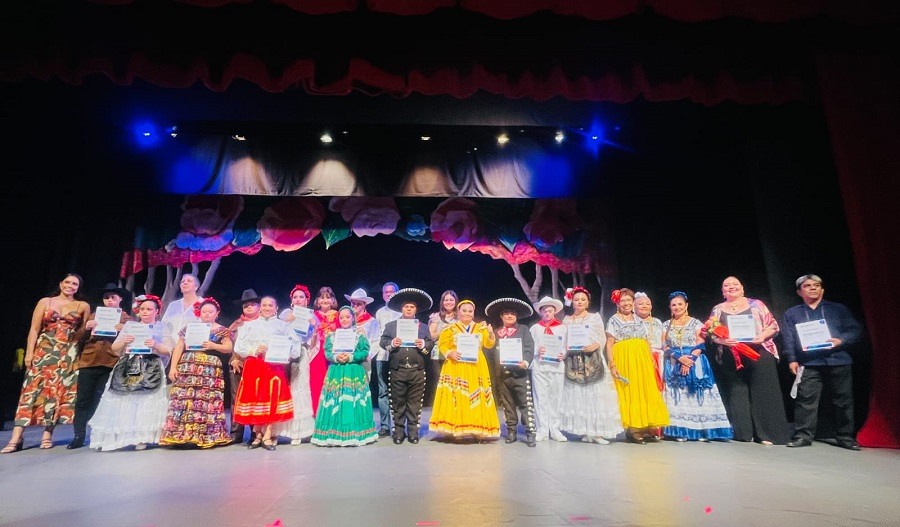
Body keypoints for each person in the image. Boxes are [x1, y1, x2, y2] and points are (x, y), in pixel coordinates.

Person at [3, 273, 90, 453]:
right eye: (67, 282)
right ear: (60, 283)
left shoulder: (82, 305)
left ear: (78, 288)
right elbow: (34, 329)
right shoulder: (46, 302)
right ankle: (16, 436)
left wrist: (88, 327)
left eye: (74, 284)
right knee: (31, 391)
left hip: (68, 353)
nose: (70, 286)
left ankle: (47, 434)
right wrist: (29, 353)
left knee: (57, 392)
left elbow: (82, 334)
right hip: (44, 350)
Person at [781, 274, 864, 450]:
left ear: (822, 289)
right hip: (809, 362)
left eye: (816, 285)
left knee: (843, 400)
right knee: (806, 400)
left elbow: (855, 330)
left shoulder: (838, 309)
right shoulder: (792, 313)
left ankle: (845, 437)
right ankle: (803, 435)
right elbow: (788, 338)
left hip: (838, 360)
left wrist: (841, 340)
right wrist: (792, 359)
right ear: (799, 292)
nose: (812, 288)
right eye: (807, 285)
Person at [705, 276, 790, 445]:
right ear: (722, 292)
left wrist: (762, 336)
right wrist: (722, 341)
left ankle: (767, 435)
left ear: (742, 288)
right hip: (731, 355)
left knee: (764, 391)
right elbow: (709, 333)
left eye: (735, 284)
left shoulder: (756, 305)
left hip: (758, 352)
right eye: (726, 285)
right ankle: (743, 433)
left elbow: (773, 325)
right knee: (737, 392)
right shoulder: (718, 309)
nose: (731, 287)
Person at [89, 294, 173, 451]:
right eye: (142, 309)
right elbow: (115, 348)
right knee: (125, 399)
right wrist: (124, 341)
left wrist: (156, 344)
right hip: (130, 364)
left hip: (151, 365)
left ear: (157, 311)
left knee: (145, 401)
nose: (145, 312)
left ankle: (141, 437)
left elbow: (168, 350)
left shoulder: (161, 327)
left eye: (149, 309)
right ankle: (120, 436)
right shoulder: (130, 326)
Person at [160, 296, 233, 448]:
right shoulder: (189, 328)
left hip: (209, 370)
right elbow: (179, 347)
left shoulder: (222, 330)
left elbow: (228, 348)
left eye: (210, 311)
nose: (206, 314)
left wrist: (213, 345)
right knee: (183, 400)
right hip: (188, 367)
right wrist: (173, 367)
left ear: (216, 313)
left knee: (207, 402)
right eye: (204, 311)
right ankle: (180, 435)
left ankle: (206, 435)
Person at [661, 291, 733, 442]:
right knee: (679, 397)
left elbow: (700, 344)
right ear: (670, 307)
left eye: (680, 304)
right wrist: (679, 358)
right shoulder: (666, 325)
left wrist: (690, 360)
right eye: (674, 305)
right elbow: (664, 346)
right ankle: (681, 431)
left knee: (697, 394)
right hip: (675, 361)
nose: (677, 307)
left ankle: (704, 431)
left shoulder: (695, 323)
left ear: (686, 305)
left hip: (695, 360)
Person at [67, 282, 132, 450]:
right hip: (89, 361)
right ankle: (79, 435)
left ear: (120, 299)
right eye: (106, 297)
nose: (109, 300)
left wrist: (123, 330)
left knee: (105, 400)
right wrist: (86, 328)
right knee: (83, 400)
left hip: (111, 362)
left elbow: (133, 339)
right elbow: (77, 336)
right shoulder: (94, 315)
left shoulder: (125, 318)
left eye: (113, 297)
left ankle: (102, 434)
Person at [430, 299, 501, 442]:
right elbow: (443, 345)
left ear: (473, 313)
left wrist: (491, 333)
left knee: (476, 396)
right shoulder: (450, 328)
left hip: (476, 367)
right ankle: (456, 430)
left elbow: (488, 344)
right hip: (456, 365)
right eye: (464, 311)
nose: (467, 313)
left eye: (470, 311)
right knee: (458, 396)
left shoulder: (481, 328)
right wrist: (450, 353)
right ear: (458, 312)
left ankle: (477, 430)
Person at [559, 287, 623, 445]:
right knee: (579, 396)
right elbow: (563, 340)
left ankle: (597, 432)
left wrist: (595, 345)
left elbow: (601, 337)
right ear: (571, 302)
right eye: (576, 300)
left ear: (587, 303)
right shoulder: (567, 320)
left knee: (595, 395)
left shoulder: (594, 318)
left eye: (583, 300)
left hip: (592, 359)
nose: (579, 302)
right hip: (574, 361)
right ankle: (586, 431)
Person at [232, 296, 297, 451]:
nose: (267, 308)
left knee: (271, 398)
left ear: (276, 308)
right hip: (255, 364)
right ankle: (258, 434)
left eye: (271, 305)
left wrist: (286, 353)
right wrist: (255, 350)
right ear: (260, 307)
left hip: (274, 365)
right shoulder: (249, 325)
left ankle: (268, 433)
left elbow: (294, 345)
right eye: (264, 305)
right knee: (256, 398)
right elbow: (239, 347)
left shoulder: (283, 326)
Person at [605, 288, 670, 444]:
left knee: (645, 389)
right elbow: (609, 344)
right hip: (625, 357)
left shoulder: (638, 319)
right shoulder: (614, 320)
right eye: (623, 301)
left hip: (641, 357)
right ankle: (634, 429)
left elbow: (646, 339)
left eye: (629, 300)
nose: (626, 303)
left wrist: (650, 358)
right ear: (617, 303)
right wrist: (612, 364)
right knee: (631, 391)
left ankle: (645, 426)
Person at [311, 305, 379, 447]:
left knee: (353, 401)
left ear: (353, 318)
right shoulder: (332, 335)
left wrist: (351, 357)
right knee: (336, 400)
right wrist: (336, 357)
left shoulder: (359, 335)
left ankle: (356, 432)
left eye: (347, 317)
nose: (344, 320)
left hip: (354, 371)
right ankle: (333, 432)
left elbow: (364, 352)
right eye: (341, 317)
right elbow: (327, 352)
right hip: (336, 371)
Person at [379, 288, 435, 444]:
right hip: (398, 369)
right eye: (406, 306)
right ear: (401, 309)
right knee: (398, 402)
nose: (409, 309)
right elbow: (382, 342)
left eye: (412, 307)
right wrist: (392, 343)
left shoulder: (422, 327)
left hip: (417, 370)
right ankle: (398, 432)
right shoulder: (391, 326)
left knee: (414, 403)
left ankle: (413, 432)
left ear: (416, 309)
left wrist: (423, 343)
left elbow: (430, 343)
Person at [483, 297, 538, 447]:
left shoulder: (523, 330)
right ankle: (511, 432)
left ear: (516, 316)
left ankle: (530, 433)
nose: (509, 316)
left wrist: (525, 362)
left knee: (525, 404)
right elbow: (489, 351)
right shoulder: (496, 332)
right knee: (508, 405)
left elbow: (529, 348)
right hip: (502, 375)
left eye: (512, 313)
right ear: (501, 316)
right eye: (506, 313)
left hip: (520, 374)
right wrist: (490, 337)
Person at [274, 284, 317, 445]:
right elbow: (277, 332)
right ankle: (281, 430)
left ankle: (299, 431)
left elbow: (313, 341)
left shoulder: (312, 316)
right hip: (284, 354)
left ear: (307, 301)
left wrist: (314, 325)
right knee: (285, 390)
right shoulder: (285, 313)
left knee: (300, 389)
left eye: (302, 297)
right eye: (295, 297)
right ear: (291, 300)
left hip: (302, 354)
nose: (298, 299)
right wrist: (286, 321)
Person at [529, 296, 568, 442]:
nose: (547, 313)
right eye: (544, 310)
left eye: (550, 310)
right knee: (540, 398)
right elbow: (529, 348)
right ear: (540, 312)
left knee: (556, 398)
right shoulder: (535, 328)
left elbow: (565, 346)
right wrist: (537, 350)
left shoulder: (562, 328)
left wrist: (562, 354)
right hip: (539, 366)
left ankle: (555, 428)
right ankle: (542, 429)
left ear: (554, 312)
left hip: (556, 367)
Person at [227, 289, 262, 445]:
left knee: (255, 398)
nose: (248, 307)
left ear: (259, 306)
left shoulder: (263, 323)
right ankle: (236, 432)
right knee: (236, 398)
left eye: (252, 304)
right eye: (245, 305)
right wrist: (233, 359)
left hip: (257, 364)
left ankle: (256, 432)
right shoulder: (236, 324)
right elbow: (230, 345)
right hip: (239, 364)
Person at [372, 281, 401, 437]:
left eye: (391, 291)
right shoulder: (379, 312)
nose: (388, 294)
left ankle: (398, 424)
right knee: (383, 392)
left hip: (399, 356)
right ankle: (384, 425)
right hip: (383, 355)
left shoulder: (402, 312)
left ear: (397, 292)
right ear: (382, 295)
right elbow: (377, 335)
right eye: (386, 292)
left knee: (398, 391)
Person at [311, 286, 340, 417]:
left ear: (333, 300)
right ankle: (318, 413)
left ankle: (333, 413)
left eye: (328, 297)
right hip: (318, 351)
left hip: (334, 351)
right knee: (317, 381)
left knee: (333, 381)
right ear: (317, 301)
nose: (325, 300)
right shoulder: (313, 316)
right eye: (322, 298)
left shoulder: (339, 315)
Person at [426, 290, 458, 405]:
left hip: (455, 356)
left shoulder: (460, 317)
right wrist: (444, 332)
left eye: (451, 299)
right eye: (446, 300)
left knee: (454, 385)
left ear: (456, 301)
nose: (448, 302)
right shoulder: (436, 317)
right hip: (438, 356)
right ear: (442, 302)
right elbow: (431, 336)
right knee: (440, 385)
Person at [346, 288, 380, 380]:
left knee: (362, 387)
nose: (355, 306)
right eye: (353, 303)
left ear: (365, 304)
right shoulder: (346, 320)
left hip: (363, 360)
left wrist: (369, 355)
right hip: (346, 359)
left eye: (359, 304)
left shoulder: (372, 322)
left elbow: (377, 341)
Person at [161, 273, 201, 345]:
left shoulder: (203, 304)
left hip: (192, 348)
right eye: (183, 281)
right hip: (169, 348)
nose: (185, 282)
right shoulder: (173, 305)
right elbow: (163, 325)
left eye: (189, 281)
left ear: (196, 287)